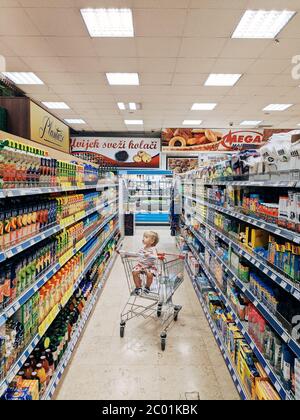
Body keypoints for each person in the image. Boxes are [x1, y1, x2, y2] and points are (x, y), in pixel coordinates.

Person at [132, 231, 160, 295]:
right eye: (144, 237)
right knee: (134, 272)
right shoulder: (142, 248)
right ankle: (138, 287)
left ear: (152, 241)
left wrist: (149, 254)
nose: (143, 238)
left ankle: (147, 287)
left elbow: (156, 257)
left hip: (150, 266)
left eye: (146, 237)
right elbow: (137, 254)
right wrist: (127, 255)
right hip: (141, 265)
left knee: (150, 275)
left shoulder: (153, 249)